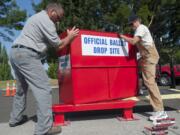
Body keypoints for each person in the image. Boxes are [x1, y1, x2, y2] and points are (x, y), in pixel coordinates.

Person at [9, 3, 79, 135]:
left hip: (15, 52)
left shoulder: (36, 18)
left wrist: (64, 37)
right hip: (27, 55)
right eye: (58, 17)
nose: (59, 20)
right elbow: (58, 46)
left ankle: (15, 119)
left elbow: (51, 41)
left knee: (21, 89)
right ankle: (44, 128)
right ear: (52, 11)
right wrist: (69, 38)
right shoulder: (46, 21)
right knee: (44, 89)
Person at [119, 15, 168, 121]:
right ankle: (159, 110)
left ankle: (160, 111)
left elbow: (133, 42)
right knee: (148, 82)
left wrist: (122, 37)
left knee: (150, 83)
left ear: (137, 21)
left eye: (132, 24)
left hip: (149, 56)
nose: (131, 26)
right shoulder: (141, 29)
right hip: (146, 57)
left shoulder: (141, 28)